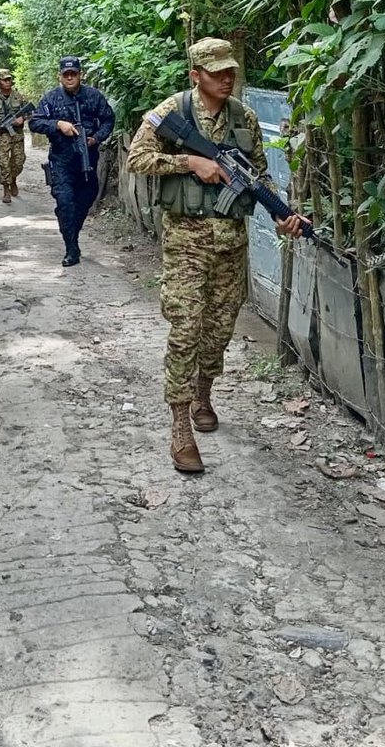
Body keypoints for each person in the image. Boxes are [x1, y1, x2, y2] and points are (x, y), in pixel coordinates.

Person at [125, 37, 307, 474]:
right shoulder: (174, 112)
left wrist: (281, 213)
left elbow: (260, 177)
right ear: (196, 76)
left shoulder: (243, 116)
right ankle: (179, 426)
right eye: (217, 72)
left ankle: (204, 393)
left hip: (230, 246)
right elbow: (137, 158)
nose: (227, 79)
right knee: (185, 329)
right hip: (186, 243)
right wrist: (190, 162)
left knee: (218, 331)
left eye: (231, 72)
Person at [29, 56, 115, 266]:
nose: (70, 78)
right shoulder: (51, 98)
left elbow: (108, 119)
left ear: (80, 74)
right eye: (66, 74)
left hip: (87, 160)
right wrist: (58, 125)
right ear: (60, 76)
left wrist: (95, 138)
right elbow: (35, 122)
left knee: (85, 200)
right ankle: (71, 250)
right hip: (61, 161)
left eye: (73, 74)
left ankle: (70, 231)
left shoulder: (93, 96)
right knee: (65, 202)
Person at [0, 68, 30, 204]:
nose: (8, 82)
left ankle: (13, 179)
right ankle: (6, 189)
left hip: (17, 135)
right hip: (1, 136)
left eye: (9, 79)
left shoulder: (19, 96)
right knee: (4, 164)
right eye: (5, 80)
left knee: (18, 162)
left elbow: (30, 111)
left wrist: (22, 119)